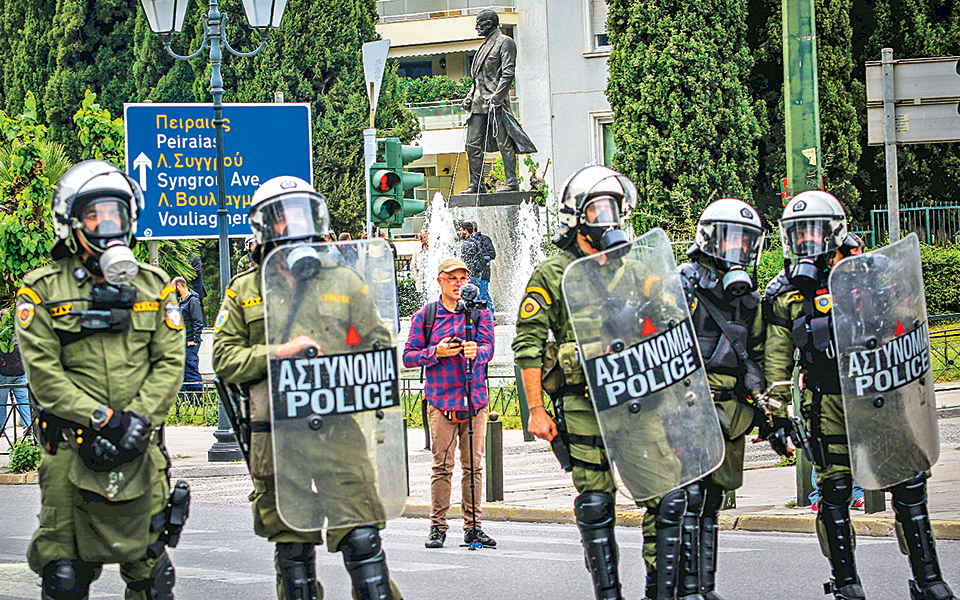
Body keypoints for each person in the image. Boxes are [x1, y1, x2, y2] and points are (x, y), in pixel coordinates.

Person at [212, 175, 403, 600]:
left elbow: (379, 346)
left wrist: (354, 367)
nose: (294, 226)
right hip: (277, 442)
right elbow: (222, 360)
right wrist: (277, 354)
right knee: (294, 560)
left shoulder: (345, 281)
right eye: (283, 218)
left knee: (363, 545)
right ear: (264, 228)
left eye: (302, 215)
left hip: (338, 434)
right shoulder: (244, 291)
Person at [763, 191, 956, 600]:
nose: (807, 242)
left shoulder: (870, 273)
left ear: (835, 232)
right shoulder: (784, 292)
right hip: (825, 400)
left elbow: (907, 319)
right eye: (799, 233)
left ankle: (929, 580)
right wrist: (777, 415)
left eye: (815, 232)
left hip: (878, 392)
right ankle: (847, 583)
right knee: (834, 490)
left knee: (907, 484)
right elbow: (777, 362)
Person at [16, 160, 188, 600]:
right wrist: (105, 419)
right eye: (95, 215)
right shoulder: (42, 290)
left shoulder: (155, 288)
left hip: (140, 449)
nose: (107, 225)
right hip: (70, 455)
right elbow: (44, 376)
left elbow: (168, 364)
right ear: (71, 223)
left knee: (153, 578)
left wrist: (136, 423)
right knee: (65, 579)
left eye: (118, 214)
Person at [513, 165, 638, 600]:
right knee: (597, 500)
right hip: (583, 400)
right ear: (577, 216)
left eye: (615, 208)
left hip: (637, 396)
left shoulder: (632, 268)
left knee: (670, 498)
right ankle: (609, 593)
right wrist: (535, 411)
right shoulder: (553, 273)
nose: (608, 217)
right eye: (598, 208)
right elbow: (527, 345)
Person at [637, 198, 769, 600]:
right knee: (683, 499)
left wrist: (767, 408)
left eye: (745, 242)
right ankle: (670, 587)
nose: (736, 251)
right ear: (708, 239)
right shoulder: (678, 285)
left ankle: (701, 586)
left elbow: (760, 353)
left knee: (712, 499)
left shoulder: (747, 298)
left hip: (728, 411)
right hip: (683, 406)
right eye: (729, 240)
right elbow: (648, 341)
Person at [403, 257, 496, 549]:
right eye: (452, 278)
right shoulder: (426, 316)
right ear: (440, 280)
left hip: (475, 401)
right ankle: (437, 527)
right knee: (442, 466)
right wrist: (437, 352)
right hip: (441, 401)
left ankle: (474, 527)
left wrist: (476, 352)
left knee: (474, 467)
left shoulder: (481, 314)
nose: (458, 284)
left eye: (463, 279)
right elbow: (408, 356)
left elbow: (489, 348)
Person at [461, 10, 537, 193]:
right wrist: (470, 96)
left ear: (489, 24)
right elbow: (477, 79)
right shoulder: (481, 47)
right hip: (478, 104)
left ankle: (511, 182)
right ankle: (477, 185)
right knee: (472, 144)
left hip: (496, 103)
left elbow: (508, 73)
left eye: (479, 23)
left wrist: (497, 96)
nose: (476, 27)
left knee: (504, 142)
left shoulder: (505, 42)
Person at [173, 275, 205, 405]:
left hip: (190, 342)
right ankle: (185, 403)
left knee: (191, 370)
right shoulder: (183, 301)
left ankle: (197, 402)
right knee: (181, 372)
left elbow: (198, 321)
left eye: (172, 286)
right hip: (182, 342)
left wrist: (195, 340)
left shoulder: (193, 301)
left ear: (179, 286)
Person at [459, 221, 496, 313]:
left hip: (482, 273)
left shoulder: (483, 239)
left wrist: (479, 264)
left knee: (483, 295)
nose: (460, 233)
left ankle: (490, 317)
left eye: (461, 230)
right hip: (475, 272)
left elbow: (492, 254)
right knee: (477, 296)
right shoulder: (471, 241)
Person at [0, 322, 31, 432]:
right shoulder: (19, 337)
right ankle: (27, 426)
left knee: (1, 403)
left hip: (4, 375)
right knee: (23, 400)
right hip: (20, 373)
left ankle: (1, 429)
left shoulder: (3, 338)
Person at [187, 253, 207, 325]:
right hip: (186, 287)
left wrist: (185, 275)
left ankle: (203, 325)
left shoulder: (194, 257)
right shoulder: (179, 257)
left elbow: (197, 271)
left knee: (199, 307)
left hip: (196, 287)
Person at [410, 230, 429, 299]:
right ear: (421, 240)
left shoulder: (435, 250)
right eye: (425, 237)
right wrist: (416, 278)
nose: (427, 238)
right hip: (422, 280)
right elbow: (413, 265)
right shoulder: (417, 251)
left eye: (428, 236)